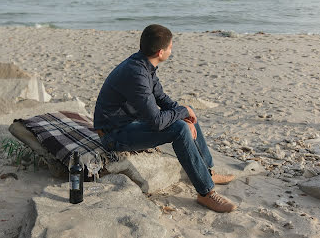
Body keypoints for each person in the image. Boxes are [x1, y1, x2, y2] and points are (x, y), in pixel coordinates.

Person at [94, 24, 236, 213]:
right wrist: (182, 114)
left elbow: (162, 98)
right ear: (161, 52)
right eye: (170, 47)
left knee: (187, 111)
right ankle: (206, 193)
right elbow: (157, 122)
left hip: (130, 123)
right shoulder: (136, 74)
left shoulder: (144, 64)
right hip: (114, 135)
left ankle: (208, 171)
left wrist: (185, 112)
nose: (172, 50)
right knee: (179, 128)